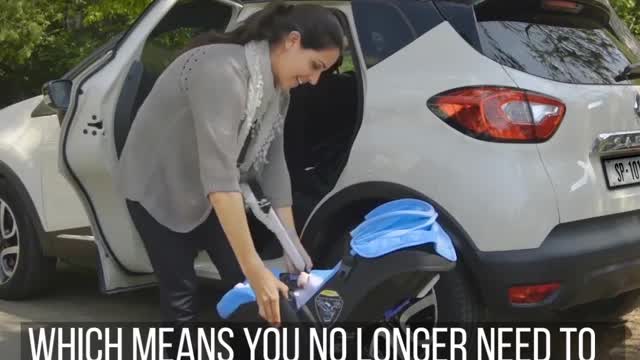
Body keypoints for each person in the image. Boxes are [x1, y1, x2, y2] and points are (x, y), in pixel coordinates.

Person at [116, 0, 344, 329]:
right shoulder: (222, 72)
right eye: (315, 65)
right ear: (292, 41)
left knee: (246, 282)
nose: (314, 80)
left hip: (210, 188)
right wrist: (255, 269)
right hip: (156, 186)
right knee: (182, 293)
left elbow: (274, 164)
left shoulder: (277, 90)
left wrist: (291, 239)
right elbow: (221, 179)